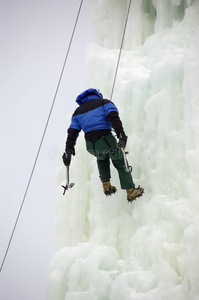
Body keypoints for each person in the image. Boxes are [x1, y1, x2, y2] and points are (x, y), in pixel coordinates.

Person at [62, 88, 144, 202]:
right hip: (106, 139)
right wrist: (121, 135)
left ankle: (106, 185)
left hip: (91, 146)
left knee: (102, 159)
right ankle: (130, 191)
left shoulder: (77, 112)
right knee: (120, 161)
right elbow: (113, 117)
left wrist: (68, 151)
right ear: (97, 95)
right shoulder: (104, 103)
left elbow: (72, 133)